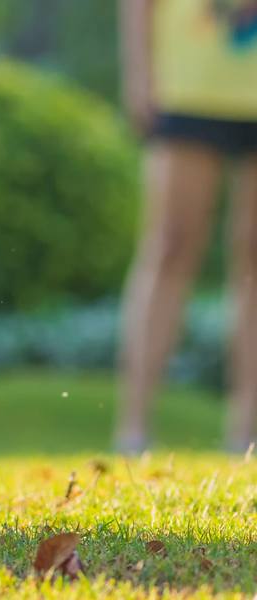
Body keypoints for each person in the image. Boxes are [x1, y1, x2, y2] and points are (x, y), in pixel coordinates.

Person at [117, 0, 257, 453]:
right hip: (187, 85)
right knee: (171, 245)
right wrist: (139, 70)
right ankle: (134, 428)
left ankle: (246, 434)